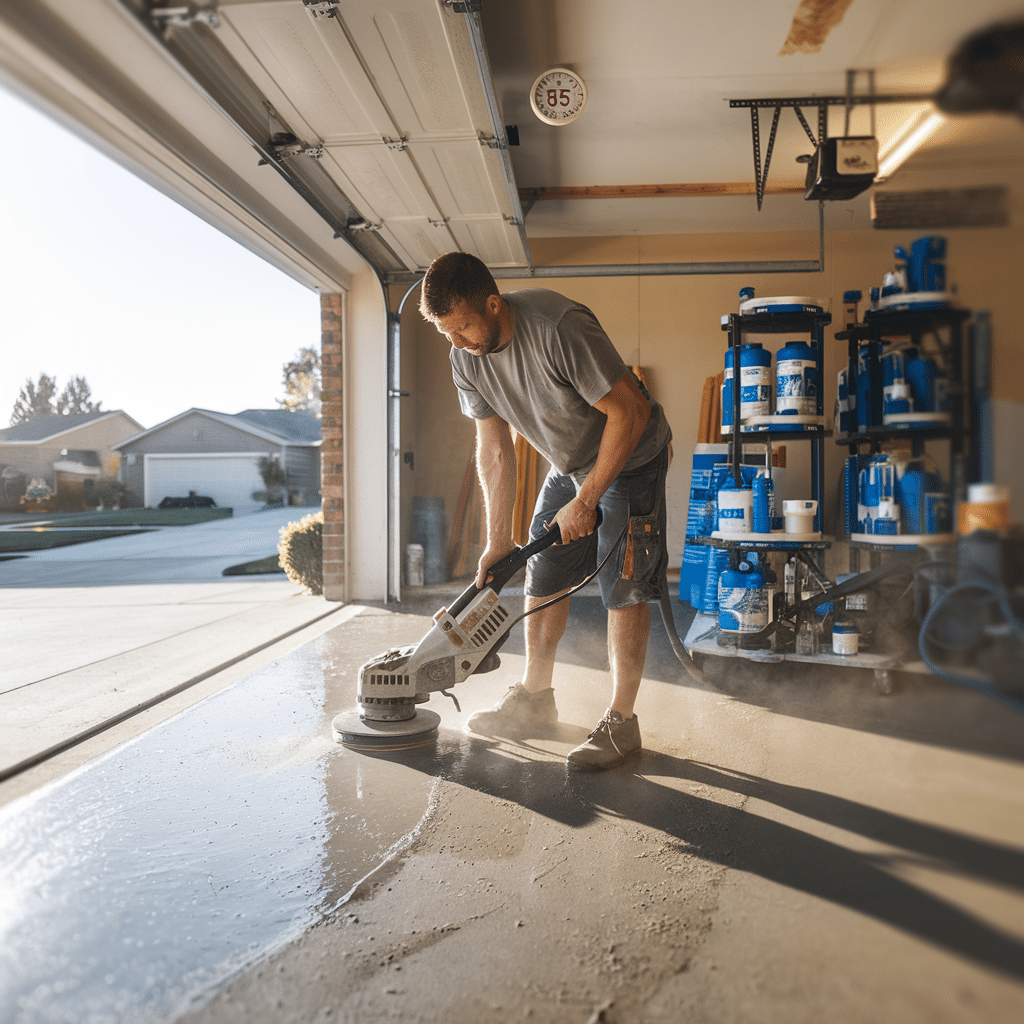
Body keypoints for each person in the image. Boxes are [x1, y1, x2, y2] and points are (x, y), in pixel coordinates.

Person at [419, 252, 672, 770]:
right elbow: (493, 447)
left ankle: (622, 722)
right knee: (544, 569)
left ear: (493, 305)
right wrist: (497, 539)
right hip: (569, 461)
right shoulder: (464, 357)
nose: (458, 343)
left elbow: (630, 409)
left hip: (631, 456)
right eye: (447, 334)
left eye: (463, 328)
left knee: (623, 585)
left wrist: (587, 500)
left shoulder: (558, 326)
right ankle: (536, 699)